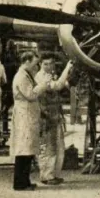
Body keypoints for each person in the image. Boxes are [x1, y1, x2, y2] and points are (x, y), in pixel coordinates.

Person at [11, 51, 72, 191]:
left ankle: (25, 181)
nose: (36, 65)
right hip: (28, 116)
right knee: (26, 150)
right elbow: (31, 95)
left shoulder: (27, 75)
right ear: (26, 61)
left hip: (34, 116)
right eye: (35, 62)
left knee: (28, 150)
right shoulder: (23, 77)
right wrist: (44, 85)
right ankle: (22, 183)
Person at [35, 53, 69, 185]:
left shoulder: (50, 75)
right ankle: (46, 176)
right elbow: (58, 86)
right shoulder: (40, 77)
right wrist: (67, 68)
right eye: (45, 64)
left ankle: (53, 174)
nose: (48, 66)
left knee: (58, 146)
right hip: (45, 116)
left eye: (51, 63)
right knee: (48, 147)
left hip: (54, 115)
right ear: (40, 64)